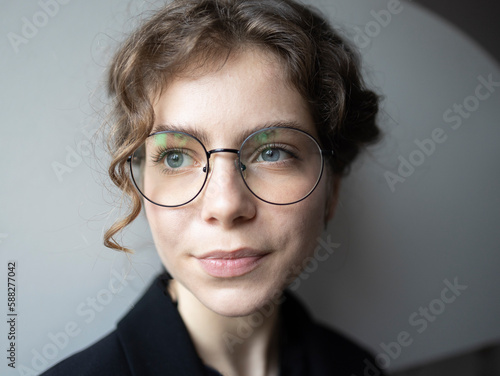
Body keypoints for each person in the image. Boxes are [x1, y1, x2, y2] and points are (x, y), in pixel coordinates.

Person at [41, 0, 383, 375]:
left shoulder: (359, 366)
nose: (225, 204)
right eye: (175, 157)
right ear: (139, 186)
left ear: (331, 190)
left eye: (272, 152)